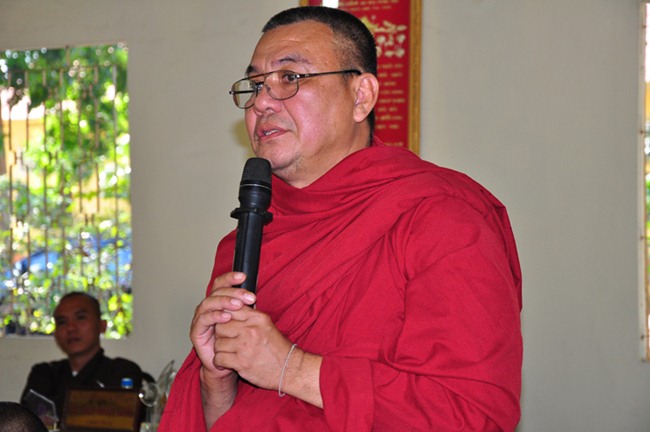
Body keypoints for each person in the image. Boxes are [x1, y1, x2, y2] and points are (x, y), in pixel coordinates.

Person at [159, 5, 522, 432]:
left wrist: (290, 367)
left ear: (361, 96)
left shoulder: (441, 215)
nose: (261, 102)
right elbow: (237, 420)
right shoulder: (248, 242)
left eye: (290, 77)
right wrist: (217, 377)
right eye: (255, 85)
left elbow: (471, 415)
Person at [20, 292, 143, 420]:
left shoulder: (123, 371)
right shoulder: (45, 373)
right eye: (62, 322)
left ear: (102, 325)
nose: (70, 328)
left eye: (80, 318)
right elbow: (27, 420)